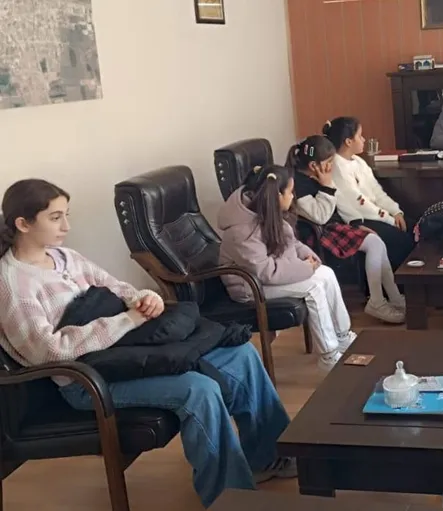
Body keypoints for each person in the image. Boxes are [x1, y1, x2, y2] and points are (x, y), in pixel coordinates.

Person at [0, 179, 295, 508]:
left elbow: (118, 288)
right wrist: (127, 320)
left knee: (240, 354)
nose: (66, 226)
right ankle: (229, 497)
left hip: (126, 355)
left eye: (67, 215)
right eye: (55, 218)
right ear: (23, 224)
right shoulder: (14, 284)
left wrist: (144, 299)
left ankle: (267, 456)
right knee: (198, 389)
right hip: (85, 381)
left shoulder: (65, 257)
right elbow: (50, 351)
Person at [218, 164, 357, 371]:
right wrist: (305, 268)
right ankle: (328, 355)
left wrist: (306, 255)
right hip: (250, 287)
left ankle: (342, 336)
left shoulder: (263, 210)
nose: (292, 196)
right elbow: (267, 271)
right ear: (277, 196)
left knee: (326, 273)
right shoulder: (241, 230)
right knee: (313, 287)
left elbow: (288, 242)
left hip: (268, 277)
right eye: (290, 192)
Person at [289, 135, 405, 324]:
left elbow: (340, 202)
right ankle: (377, 301)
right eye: (328, 162)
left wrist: (356, 223)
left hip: (335, 226)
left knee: (377, 242)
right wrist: (327, 186)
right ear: (313, 166)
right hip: (318, 232)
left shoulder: (320, 175)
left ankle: (395, 298)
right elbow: (319, 216)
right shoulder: (298, 185)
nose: (331, 166)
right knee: (375, 244)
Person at [324, 117, 414, 269]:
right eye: (360, 136)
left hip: (376, 214)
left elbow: (377, 192)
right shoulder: (337, 166)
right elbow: (359, 202)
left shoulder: (359, 161)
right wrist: (389, 219)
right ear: (348, 141)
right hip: (361, 219)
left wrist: (396, 211)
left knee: (414, 228)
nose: (364, 140)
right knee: (401, 240)